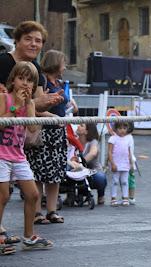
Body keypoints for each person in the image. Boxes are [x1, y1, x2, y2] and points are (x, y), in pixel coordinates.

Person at [0, 61, 53, 253]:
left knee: (33, 194)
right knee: (3, 196)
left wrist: (28, 105)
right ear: (12, 80)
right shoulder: (3, 98)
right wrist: (16, 108)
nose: (25, 83)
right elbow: (1, 123)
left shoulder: (29, 103)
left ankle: (29, 236)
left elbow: (31, 128)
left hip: (18, 155)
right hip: (1, 155)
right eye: (21, 78)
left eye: (29, 80)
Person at [25, 50, 69, 225]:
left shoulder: (58, 82)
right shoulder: (41, 80)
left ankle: (52, 211)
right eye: (63, 62)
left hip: (58, 133)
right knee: (39, 173)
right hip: (43, 131)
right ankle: (37, 212)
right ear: (56, 63)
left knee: (55, 174)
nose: (65, 66)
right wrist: (52, 117)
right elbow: (36, 107)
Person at [0, 20, 63, 111]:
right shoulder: (3, 62)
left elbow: (38, 107)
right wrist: (33, 103)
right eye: (28, 39)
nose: (33, 44)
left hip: (25, 123)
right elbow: (8, 105)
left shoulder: (36, 67)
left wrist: (48, 103)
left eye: (38, 41)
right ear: (17, 41)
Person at [76, 123, 108, 205]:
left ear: (86, 131)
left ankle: (101, 195)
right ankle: (73, 195)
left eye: (81, 125)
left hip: (93, 172)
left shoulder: (93, 142)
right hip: (78, 171)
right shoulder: (75, 140)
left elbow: (93, 153)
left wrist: (81, 163)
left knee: (100, 178)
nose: (78, 126)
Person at [108, 122, 134, 206]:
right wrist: (112, 163)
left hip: (125, 163)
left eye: (124, 128)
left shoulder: (128, 139)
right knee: (115, 181)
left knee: (125, 181)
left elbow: (130, 152)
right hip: (116, 163)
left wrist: (131, 163)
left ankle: (125, 197)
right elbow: (110, 152)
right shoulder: (113, 138)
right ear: (115, 129)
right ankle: (113, 198)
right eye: (120, 128)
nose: (122, 130)